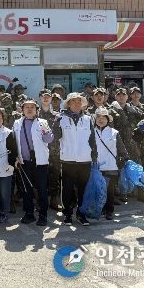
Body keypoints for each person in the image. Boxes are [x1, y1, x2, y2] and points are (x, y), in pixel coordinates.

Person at [52, 92, 97, 227]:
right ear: (68, 104)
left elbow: (92, 139)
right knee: (67, 189)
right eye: (73, 101)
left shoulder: (88, 119)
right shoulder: (61, 118)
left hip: (85, 159)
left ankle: (81, 214)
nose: (77, 104)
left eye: (79, 101)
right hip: (68, 159)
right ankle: (67, 214)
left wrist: (94, 156)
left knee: (83, 188)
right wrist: (56, 124)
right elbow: (56, 137)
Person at [13, 99, 54, 226]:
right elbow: (14, 141)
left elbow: (49, 140)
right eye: (27, 107)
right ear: (22, 110)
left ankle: (43, 215)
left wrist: (46, 131)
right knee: (26, 189)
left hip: (40, 162)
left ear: (36, 109)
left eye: (32, 107)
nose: (29, 109)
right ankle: (29, 213)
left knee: (42, 189)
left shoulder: (43, 122)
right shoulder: (17, 123)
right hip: (24, 162)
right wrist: (16, 157)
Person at [93, 107, 128, 220]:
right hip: (96, 166)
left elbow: (121, 149)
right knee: (98, 189)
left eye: (103, 117)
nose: (101, 119)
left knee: (109, 190)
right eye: (98, 117)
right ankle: (100, 209)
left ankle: (109, 210)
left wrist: (124, 158)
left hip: (110, 166)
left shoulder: (114, 132)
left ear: (108, 119)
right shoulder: (91, 132)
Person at [38, 89, 61, 211]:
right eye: (43, 96)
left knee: (54, 175)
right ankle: (40, 201)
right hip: (39, 151)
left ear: (51, 98)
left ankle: (53, 199)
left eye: (48, 96)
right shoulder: (35, 115)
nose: (46, 98)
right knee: (40, 176)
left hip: (54, 151)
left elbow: (61, 133)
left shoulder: (57, 116)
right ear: (40, 98)